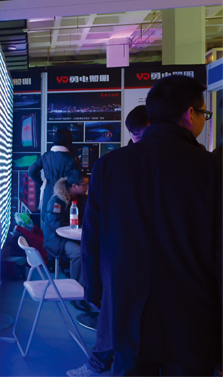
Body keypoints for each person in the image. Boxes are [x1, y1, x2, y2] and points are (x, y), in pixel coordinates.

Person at [81, 75, 222, 376]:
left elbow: (92, 237)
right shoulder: (212, 169)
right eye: (204, 114)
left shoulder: (109, 166)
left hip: (126, 315)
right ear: (190, 114)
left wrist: (96, 293)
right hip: (191, 320)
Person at [68, 105, 152, 377]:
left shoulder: (110, 164)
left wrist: (93, 284)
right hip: (143, 269)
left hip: (117, 264)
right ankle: (99, 363)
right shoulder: (183, 163)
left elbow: (92, 229)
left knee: (116, 321)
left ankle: (98, 364)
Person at [42, 169, 89, 304]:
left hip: (73, 236)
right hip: (56, 239)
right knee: (78, 253)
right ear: (74, 186)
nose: (87, 187)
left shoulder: (83, 198)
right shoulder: (57, 201)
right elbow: (56, 225)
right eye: (84, 185)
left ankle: (88, 287)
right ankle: (76, 295)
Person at [29, 128, 79, 224]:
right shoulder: (72, 158)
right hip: (65, 196)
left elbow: (31, 171)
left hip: (48, 195)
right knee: (64, 226)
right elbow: (76, 179)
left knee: (47, 226)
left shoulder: (46, 156)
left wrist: (42, 184)